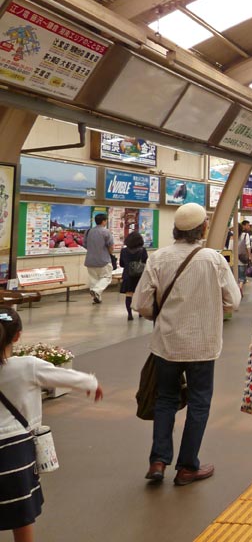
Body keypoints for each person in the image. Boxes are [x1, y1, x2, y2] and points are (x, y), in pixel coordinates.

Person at [134, 203, 239, 485]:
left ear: (175, 229)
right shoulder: (214, 259)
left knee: (165, 400)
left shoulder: (158, 258)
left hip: (166, 344)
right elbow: (234, 301)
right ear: (203, 228)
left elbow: (141, 304)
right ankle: (187, 467)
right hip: (203, 346)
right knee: (199, 403)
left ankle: (158, 461)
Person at [0, 306, 103, 542]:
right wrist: (91, 383)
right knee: (21, 516)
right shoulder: (27, 366)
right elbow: (64, 377)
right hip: (16, 454)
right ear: (17, 336)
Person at [83, 213, 114, 304]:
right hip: (103, 260)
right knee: (107, 277)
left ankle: (97, 298)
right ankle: (96, 291)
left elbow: (85, 245)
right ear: (104, 221)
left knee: (94, 280)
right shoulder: (106, 232)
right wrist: (110, 253)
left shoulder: (88, 231)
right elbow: (110, 246)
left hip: (90, 260)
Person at [119, 231, 148, 321]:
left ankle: (129, 314)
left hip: (128, 275)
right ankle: (140, 313)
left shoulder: (123, 251)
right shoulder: (142, 250)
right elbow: (146, 262)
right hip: (140, 275)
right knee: (139, 294)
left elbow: (121, 264)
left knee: (129, 294)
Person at [237, 220, 252, 292]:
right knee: (242, 277)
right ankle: (239, 290)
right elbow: (248, 246)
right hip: (242, 259)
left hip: (233, 259)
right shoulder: (245, 235)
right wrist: (250, 256)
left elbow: (229, 248)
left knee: (235, 277)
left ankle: (236, 290)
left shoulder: (232, 235)